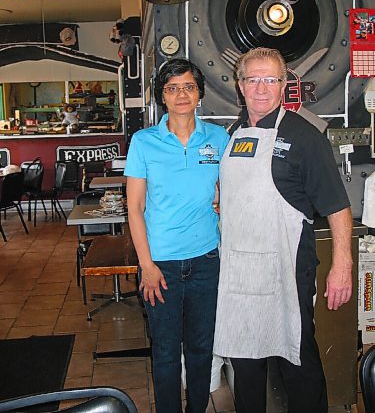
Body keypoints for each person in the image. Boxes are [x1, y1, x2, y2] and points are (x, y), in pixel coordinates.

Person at [213, 47, 352, 413]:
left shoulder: (305, 138)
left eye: (271, 79)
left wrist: (342, 267)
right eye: (253, 79)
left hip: (286, 273)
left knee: (298, 364)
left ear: (284, 85)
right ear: (240, 86)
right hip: (239, 273)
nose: (261, 88)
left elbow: (337, 207)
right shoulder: (231, 133)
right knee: (245, 367)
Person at [125, 58, 229, 412]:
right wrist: (146, 265)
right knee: (167, 352)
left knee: (201, 349)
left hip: (206, 261)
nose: (181, 94)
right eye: (172, 88)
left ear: (199, 94)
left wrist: (218, 197)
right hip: (161, 266)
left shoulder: (218, 137)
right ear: (162, 97)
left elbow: (228, 188)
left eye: (188, 87)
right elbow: (134, 208)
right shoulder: (143, 142)